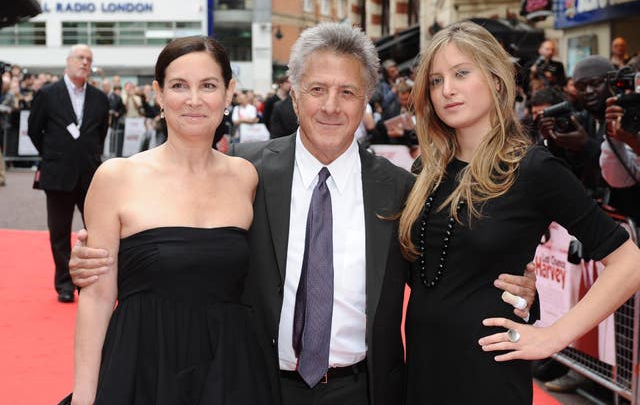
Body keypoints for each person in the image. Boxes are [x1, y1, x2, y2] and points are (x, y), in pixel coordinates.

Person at [68, 23, 537, 405]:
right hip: (252, 384)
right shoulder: (245, 171)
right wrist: (103, 259)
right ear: (293, 95)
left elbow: (441, 274)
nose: (331, 106)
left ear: (367, 99)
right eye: (317, 89)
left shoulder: (402, 190)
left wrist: (510, 283)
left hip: (364, 389)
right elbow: (183, 244)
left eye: (347, 92)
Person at [399, 21, 640, 404]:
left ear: (496, 81)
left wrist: (554, 336)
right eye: (435, 80)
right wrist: (529, 297)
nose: (447, 89)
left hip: (487, 377)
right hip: (421, 373)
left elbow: (629, 262)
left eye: (462, 73)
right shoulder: (425, 173)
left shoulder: (531, 168)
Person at [68, 36, 272, 405]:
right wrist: (84, 398)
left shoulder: (246, 177)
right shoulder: (116, 177)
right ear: (159, 94)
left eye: (208, 85)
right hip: (142, 366)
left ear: (228, 94)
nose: (194, 100)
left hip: (229, 373)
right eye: (179, 85)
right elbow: (97, 297)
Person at [27, 44, 109, 303]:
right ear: (68, 60)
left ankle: (91, 281)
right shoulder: (48, 94)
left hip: (90, 174)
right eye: (80, 57)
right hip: (57, 173)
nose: (84, 62)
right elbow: (34, 130)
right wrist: (54, 154)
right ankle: (64, 283)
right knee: (59, 233)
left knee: (96, 231)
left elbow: (101, 133)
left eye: (89, 59)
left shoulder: (100, 97)